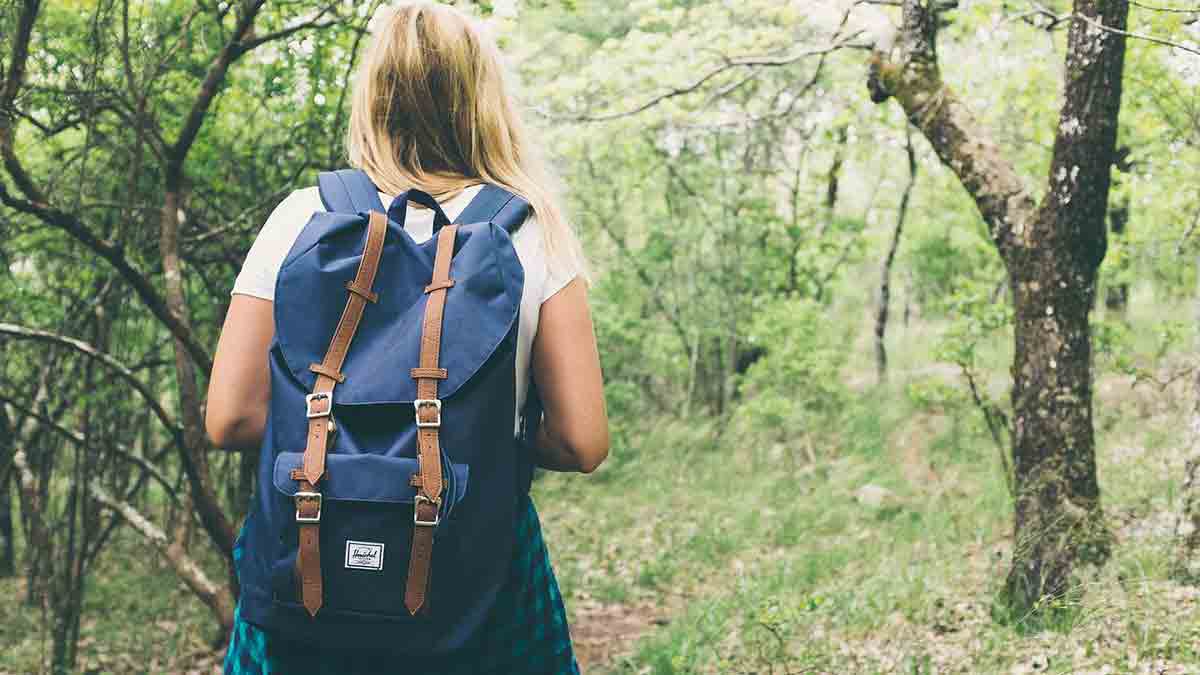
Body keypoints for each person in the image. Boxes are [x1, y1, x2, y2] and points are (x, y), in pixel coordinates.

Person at [205, 3, 608, 673]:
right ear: (482, 98)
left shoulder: (299, 219)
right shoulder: (530, 233)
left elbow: (231, 416)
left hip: (312, 571)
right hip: (474, 577)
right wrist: (486, 431)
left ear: (373, 95)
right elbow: (583, 439)